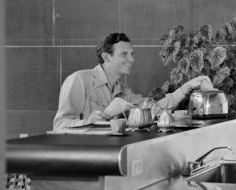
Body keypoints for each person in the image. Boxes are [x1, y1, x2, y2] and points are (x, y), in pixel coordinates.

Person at [53, 32, 213, 130]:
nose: (131, 59)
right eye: (124, 54)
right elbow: (59, 126)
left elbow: (153, 109)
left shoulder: (123, 91)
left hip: (109, 160)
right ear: (106, 57)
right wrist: (105, 114)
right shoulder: (78, 80)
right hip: (79, 166)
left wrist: (187, 87)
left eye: (132, 54)